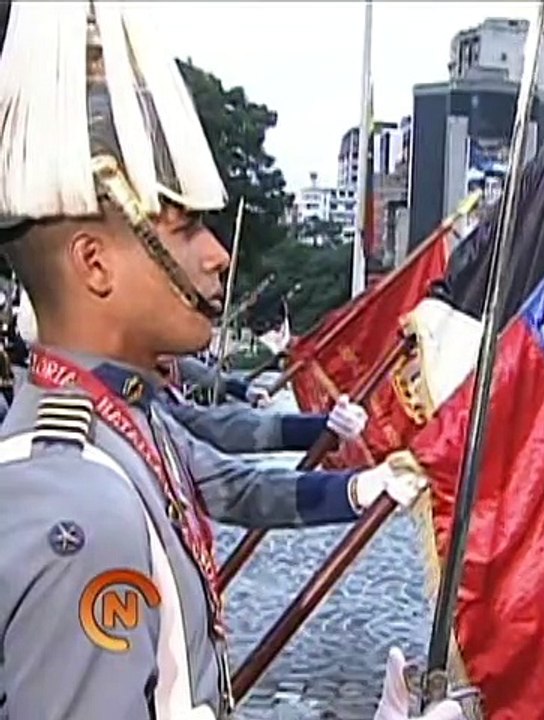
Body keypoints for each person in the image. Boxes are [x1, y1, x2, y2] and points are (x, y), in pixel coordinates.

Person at [0, 4, 463, 719]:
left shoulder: (130, 423)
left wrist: (360, 485)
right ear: (94, 264)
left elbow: (239, 485)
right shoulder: (82, 510)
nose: (217, 255)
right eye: (184, 229)